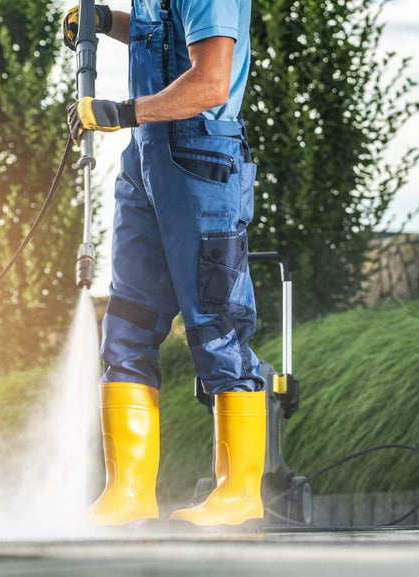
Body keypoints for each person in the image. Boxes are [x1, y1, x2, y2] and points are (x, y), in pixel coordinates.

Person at [62, 0, 266, 528]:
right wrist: (107, 23)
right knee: (126, 327)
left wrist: (121, 111)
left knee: (217, 325)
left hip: (201, 156)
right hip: (145, 157)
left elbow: (210, 84)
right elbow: (163, 38)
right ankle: (126, 495)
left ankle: (240, 494)